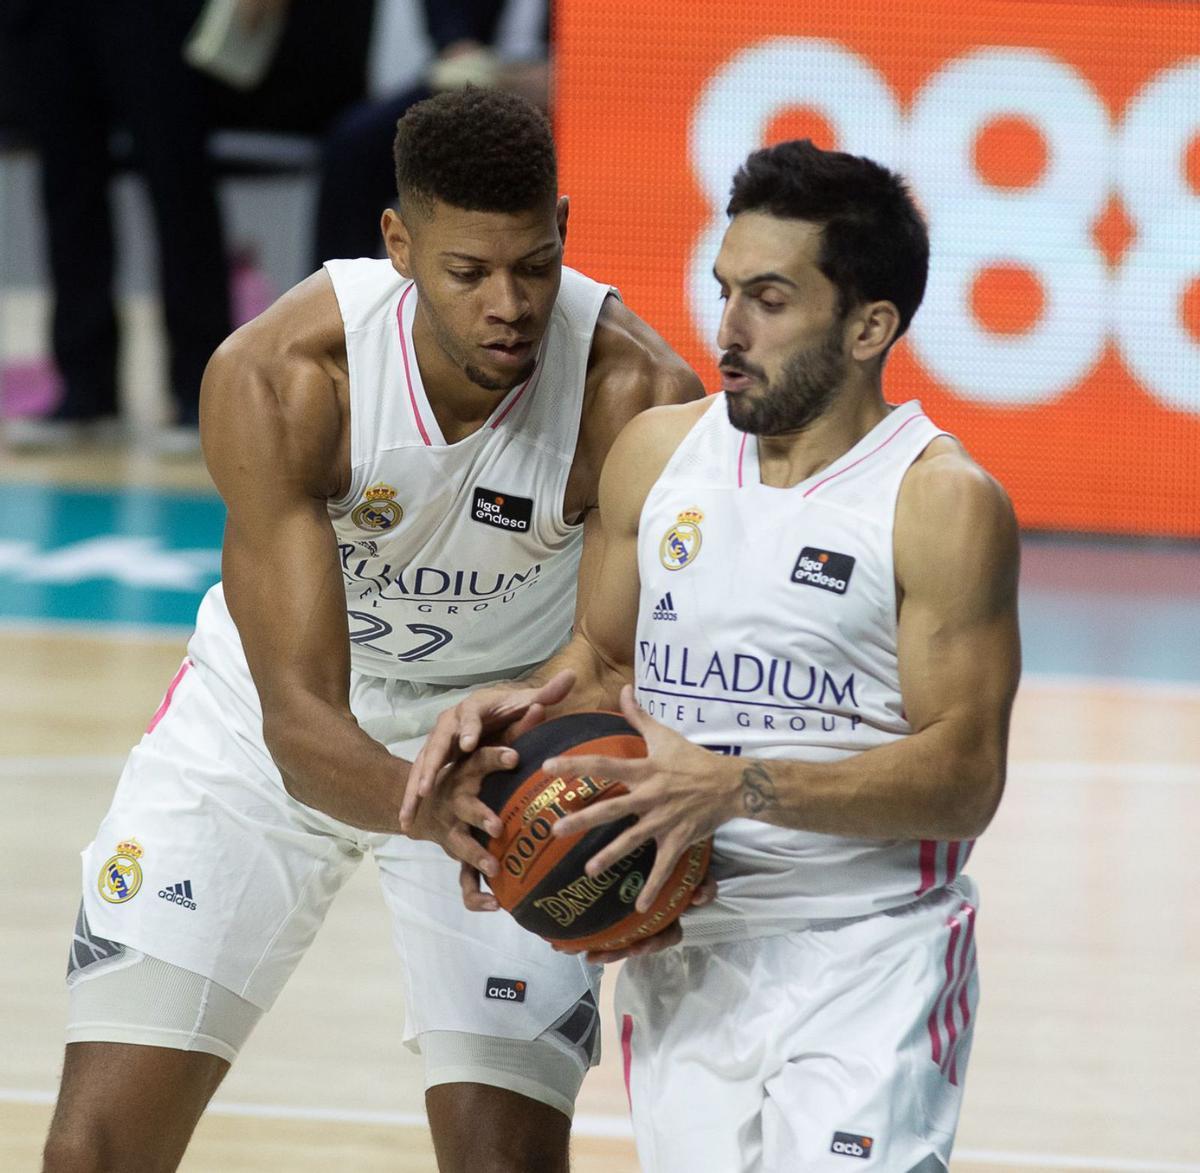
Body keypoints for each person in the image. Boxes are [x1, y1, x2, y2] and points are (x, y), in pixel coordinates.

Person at [42, 86, 702, 1172]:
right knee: (96, 1152)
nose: (510, 306)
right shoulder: (283, 377)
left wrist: (623, 829)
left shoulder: (634, 394)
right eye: (468, 272)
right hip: (265, 720)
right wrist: (424, 805)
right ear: (398, 243)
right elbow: (301, 725)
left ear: (567, 231)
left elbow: (622, 676)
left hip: (511, 742)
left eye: (534, 266)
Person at [408, 139, 1021, 1171]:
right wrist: (500, 750)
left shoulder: (938, 502)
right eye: (726, 290)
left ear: (871, 325)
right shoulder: (656, 455)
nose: (729, 331)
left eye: (771, 301)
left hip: (867, 956)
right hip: (681, 941)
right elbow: (596, 667)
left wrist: (735, 789)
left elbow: (964, 780)